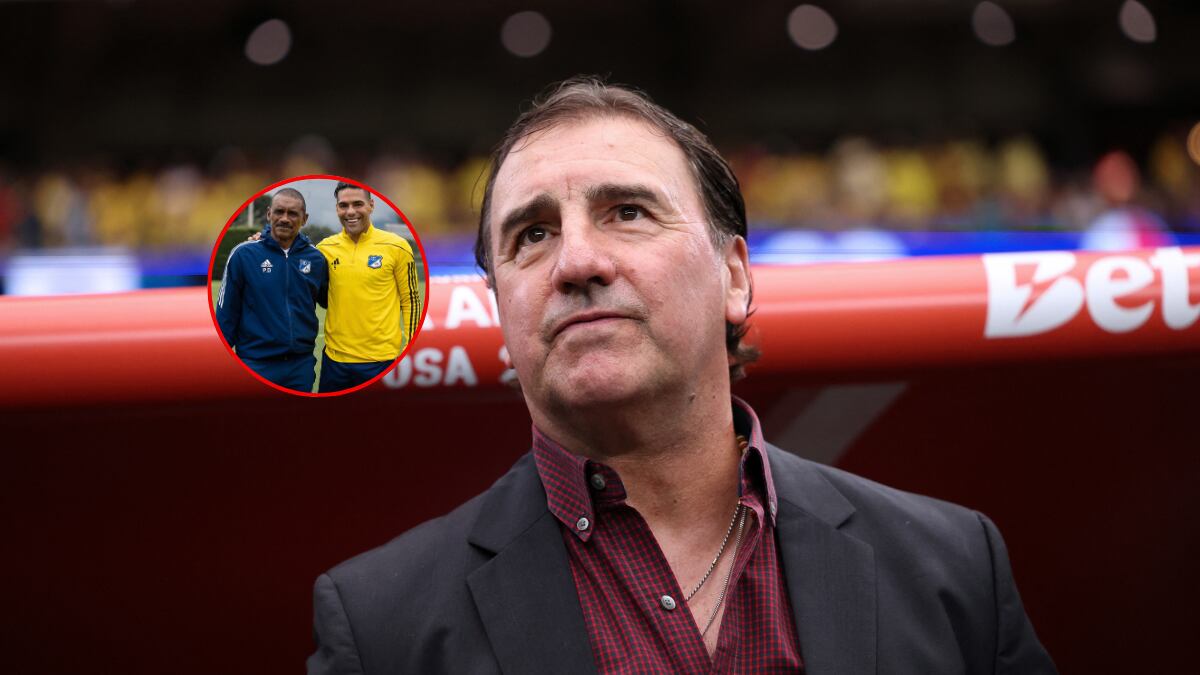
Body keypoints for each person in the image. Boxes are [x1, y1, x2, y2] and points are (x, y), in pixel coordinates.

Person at [308, 78, 1057, 674]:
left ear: (735, 276)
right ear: (498, 305)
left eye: (627, 212)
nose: (576, 262)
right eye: (532, 235)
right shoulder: (379, 627)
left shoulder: (956, 569)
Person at [216, 188, 327, 392]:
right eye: (279, 211)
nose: (284, 218)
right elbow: (225, 317)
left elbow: (330, 301)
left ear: (304, 218)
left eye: (292, 213)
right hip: (255, 364)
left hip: (299, 367)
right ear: (269, 214)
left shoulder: (316, 259)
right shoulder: (243, 254)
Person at [315, 182, 421, 392]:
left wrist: (413, 351)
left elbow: (411, 300)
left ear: (371, 205)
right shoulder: (324, 249)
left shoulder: (397, 246)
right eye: (344, 205)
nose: (351, 211)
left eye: (358, 204)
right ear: (337, 208)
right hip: (334, 361)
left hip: (381, 361)